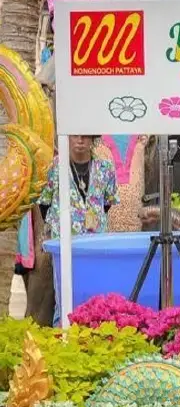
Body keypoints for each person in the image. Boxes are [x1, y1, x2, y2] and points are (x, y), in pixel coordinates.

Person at [37, 135, 119, 323]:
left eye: (85, 137)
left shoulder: (105, 168)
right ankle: (63, 328)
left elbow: (108, 202)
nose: (80, 141)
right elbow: (44, 203)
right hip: (64, 242)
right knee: (64, 291)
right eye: (75, 136)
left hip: (95, 243)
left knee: (96, 290)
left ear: (93, 139)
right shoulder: (54, 168)